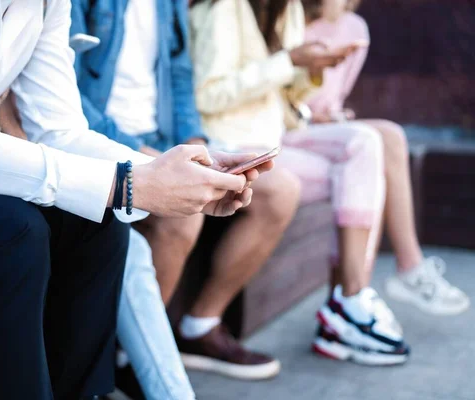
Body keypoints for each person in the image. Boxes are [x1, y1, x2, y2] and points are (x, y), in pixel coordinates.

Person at [0, 1, 269, 399]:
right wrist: (128, 184)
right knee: (11, 229)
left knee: (94, 218)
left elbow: (59, 129)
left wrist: (171, 172)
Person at [70, 0, 300, 387]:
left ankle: (199, 326)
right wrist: (151, 159)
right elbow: (66, 99)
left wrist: (195, 147)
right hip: (100, 139)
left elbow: (179, 73)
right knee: (186, 210)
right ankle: (122, 359)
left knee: (279, 190)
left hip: (161, 138)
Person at [189, 0, 412, 365]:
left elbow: (286, 95)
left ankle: (351, 299)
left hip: (271, 135)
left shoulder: (286, 8)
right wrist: (289, 61)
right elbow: (207, 96)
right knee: (355, 170)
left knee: (366, 145)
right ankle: (349, 306)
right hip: (228, 142)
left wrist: (313, 70)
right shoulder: (223, 7)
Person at [303, 0, 470, 316]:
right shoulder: (288, 20)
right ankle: (351, 302)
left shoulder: (355, 28)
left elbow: (333, 96)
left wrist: (335, 114)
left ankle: (405, 268)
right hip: (288, 127)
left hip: (322, 128)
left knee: (389, 137)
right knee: (366, 150)